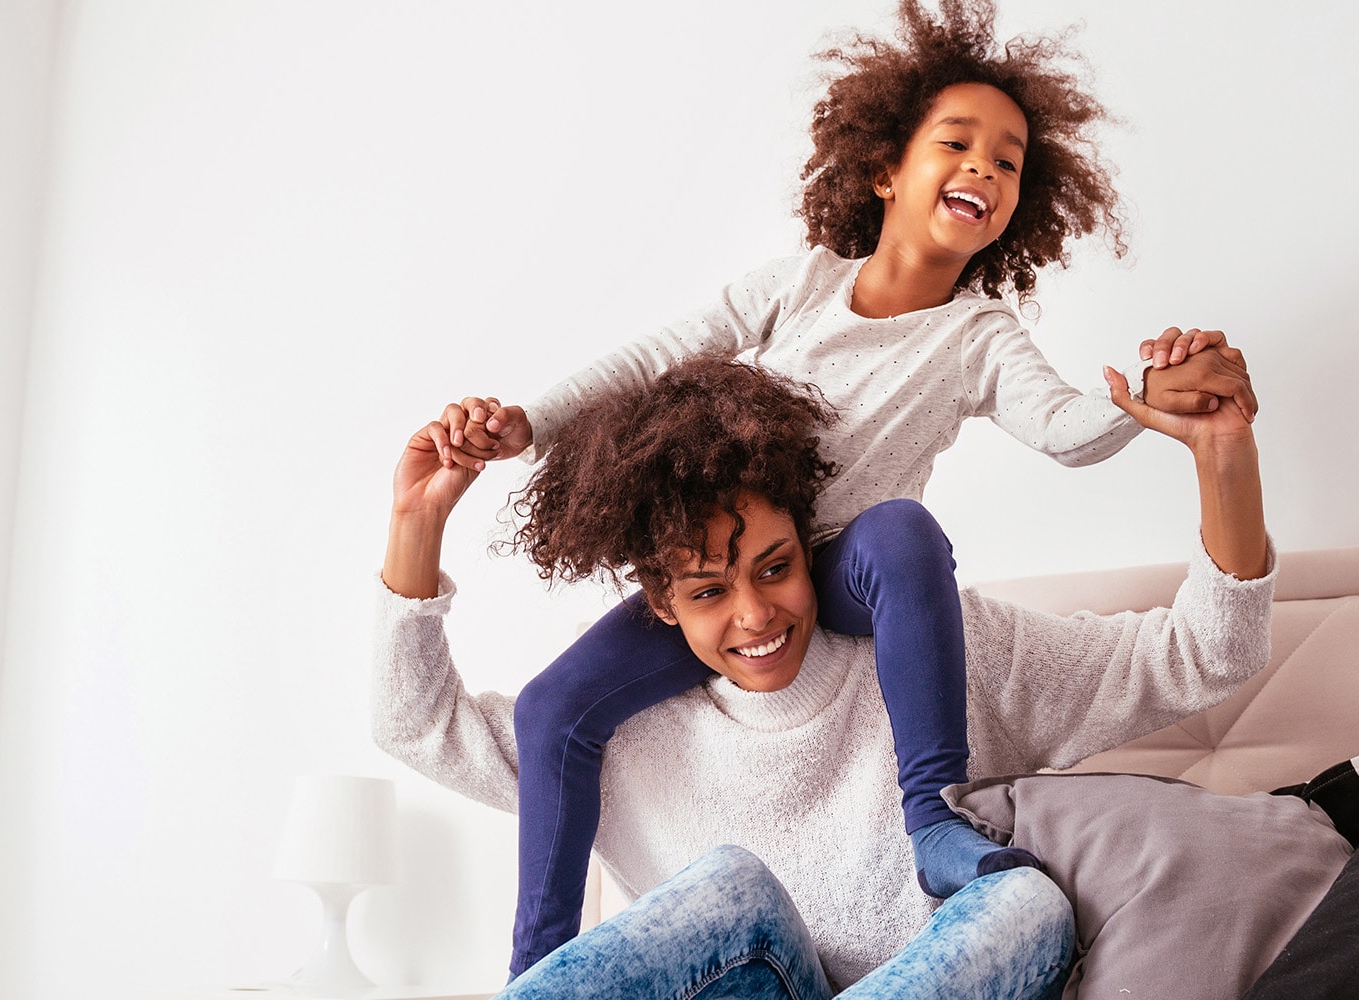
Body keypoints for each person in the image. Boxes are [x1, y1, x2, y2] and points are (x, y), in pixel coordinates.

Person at [414, 0, 1254, 974]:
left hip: (848, 575)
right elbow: (660, 353)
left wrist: (1142, 402)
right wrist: (530, 423)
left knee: (903, 532)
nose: (985, 167)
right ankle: (539, 965)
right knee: (552, 707)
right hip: (746, 566)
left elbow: (1066, 429)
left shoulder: (979, 336)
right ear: (885, 169)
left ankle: (931, 816)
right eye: (959, 143)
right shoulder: (802, 283)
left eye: (1010, 161)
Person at [373, 351, 1269, 993]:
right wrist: (417, 524)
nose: (756, 617)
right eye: (709, 591)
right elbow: (415, 726)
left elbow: (1201, 654)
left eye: (774, 567)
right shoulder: (611, 730)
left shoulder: (937, 651)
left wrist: (1223, 458)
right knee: (729, 884)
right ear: (657, 603)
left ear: (813, 544)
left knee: (1026, 904)